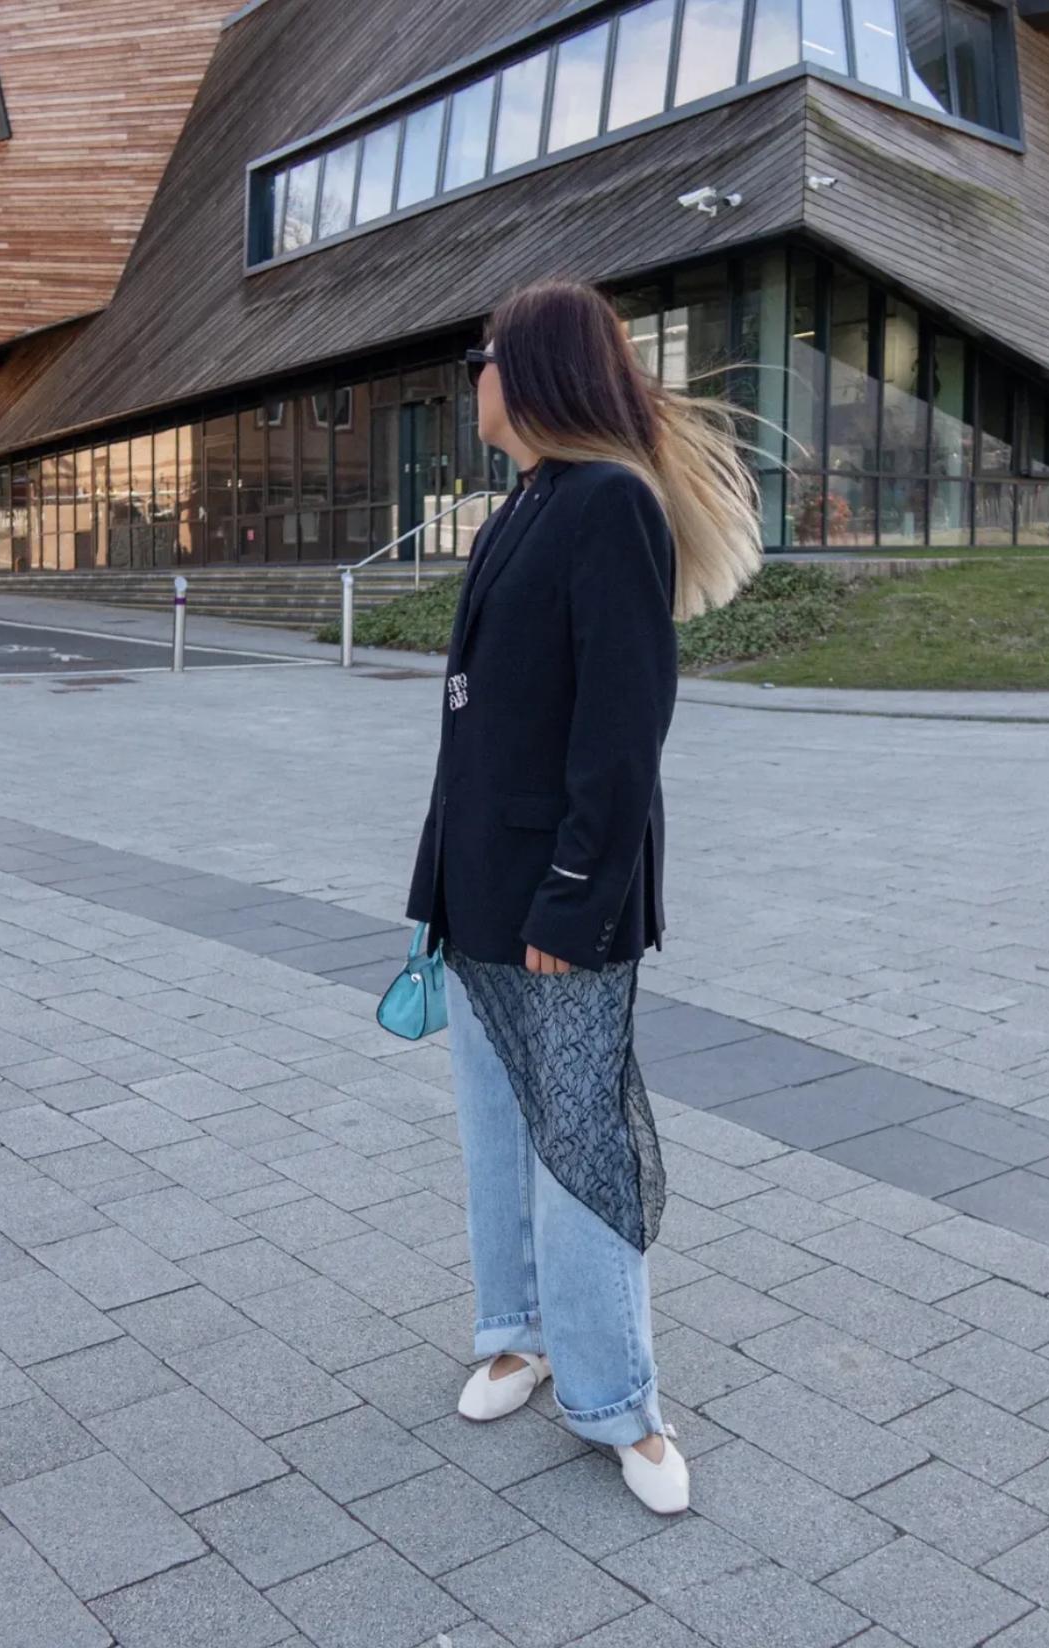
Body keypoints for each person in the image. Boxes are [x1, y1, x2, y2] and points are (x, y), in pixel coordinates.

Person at [405, 279, 761, 1513]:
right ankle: (518, 1332)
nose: (475, 376)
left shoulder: (610, 504)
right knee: (496, 1126)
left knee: (583, 1145)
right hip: (480, 892)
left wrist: (572, 900)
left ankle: (617, 1398)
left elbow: (622, 730)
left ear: (537, 370)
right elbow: (471, 731)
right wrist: (434, 887)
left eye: (486, 355)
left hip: (561, 901)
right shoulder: (522, 503)